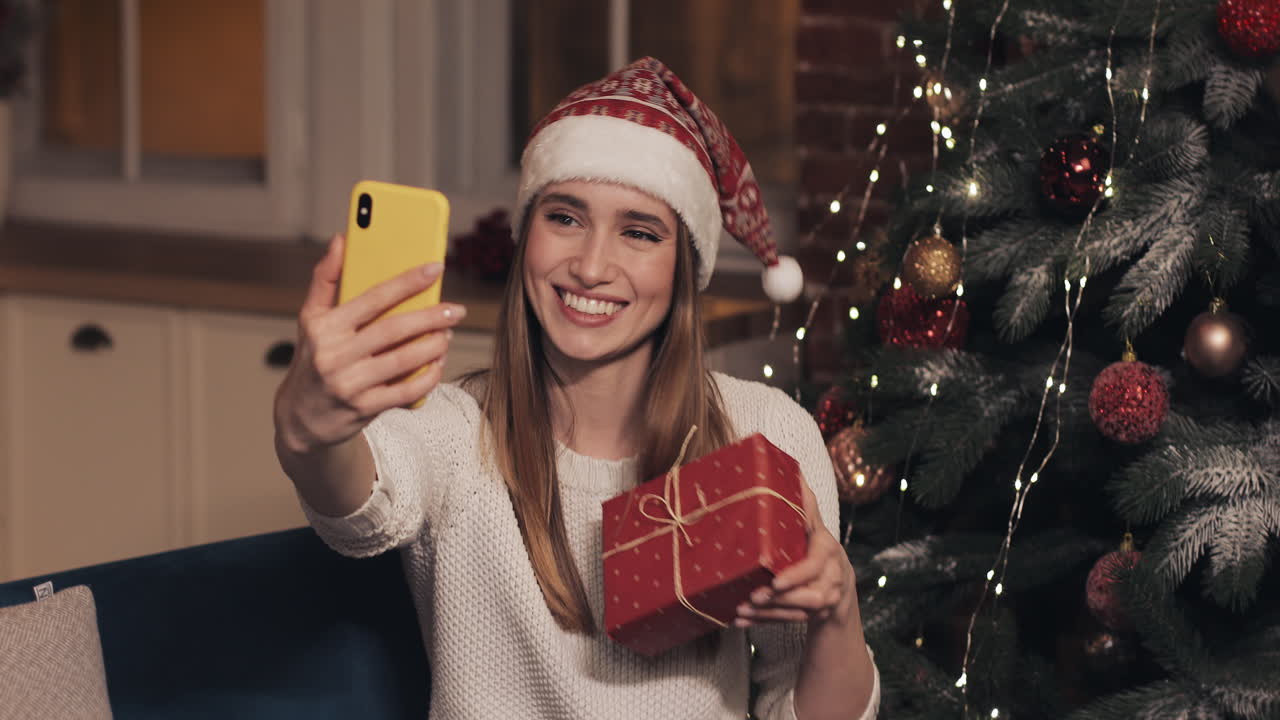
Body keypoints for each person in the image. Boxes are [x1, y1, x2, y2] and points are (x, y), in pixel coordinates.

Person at [272, 57, 879, 720]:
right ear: (525, 233)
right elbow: (357, 508)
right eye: (565, 218)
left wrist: (837, 616)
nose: (591, 266)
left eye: (639, 232)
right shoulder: (451, 430)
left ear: (683, 266)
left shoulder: (765, 435)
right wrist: (309, 428)